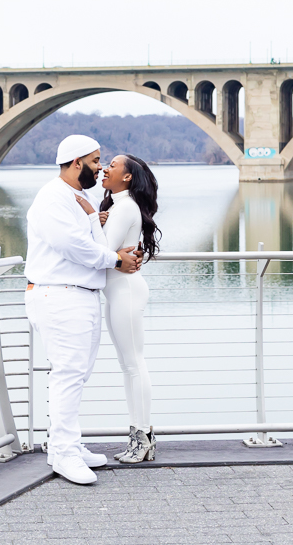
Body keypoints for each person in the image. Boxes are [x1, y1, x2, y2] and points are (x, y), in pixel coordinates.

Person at [24, 135, 142, 485]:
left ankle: (69, 444)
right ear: (77, 163)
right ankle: (61, 453)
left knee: (77, 375)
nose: (101, 167)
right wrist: (115, 260)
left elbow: (87, 238)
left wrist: (97, 221)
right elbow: (72, 246)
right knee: (68, 374)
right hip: (58, 295)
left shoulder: (80, 197)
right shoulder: (52, 198)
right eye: (96, 160)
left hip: (80, 294)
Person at [91, 155, 162, 463]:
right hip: (118, 294)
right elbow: (107, 250)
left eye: (112, 165)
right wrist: (97, 218)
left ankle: (143, 439)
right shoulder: (116, 208)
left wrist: (94, 221)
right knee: (129, 367)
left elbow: (100, 252)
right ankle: (140, 438)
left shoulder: (125, 207)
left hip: (126, 294)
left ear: (128, 177)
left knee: (134, 365)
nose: (105, 168)